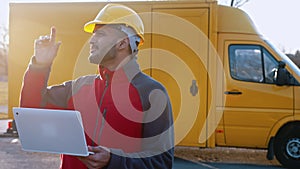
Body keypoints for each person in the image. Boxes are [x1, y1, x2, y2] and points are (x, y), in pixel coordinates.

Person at [20, 3, 174, 169]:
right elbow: (30, 110)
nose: (91, 41)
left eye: (100, 35)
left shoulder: (152, 93)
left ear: (122, 43)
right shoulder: (79, 87)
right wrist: (40, 66)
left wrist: (113, 161)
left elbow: (161, 163)